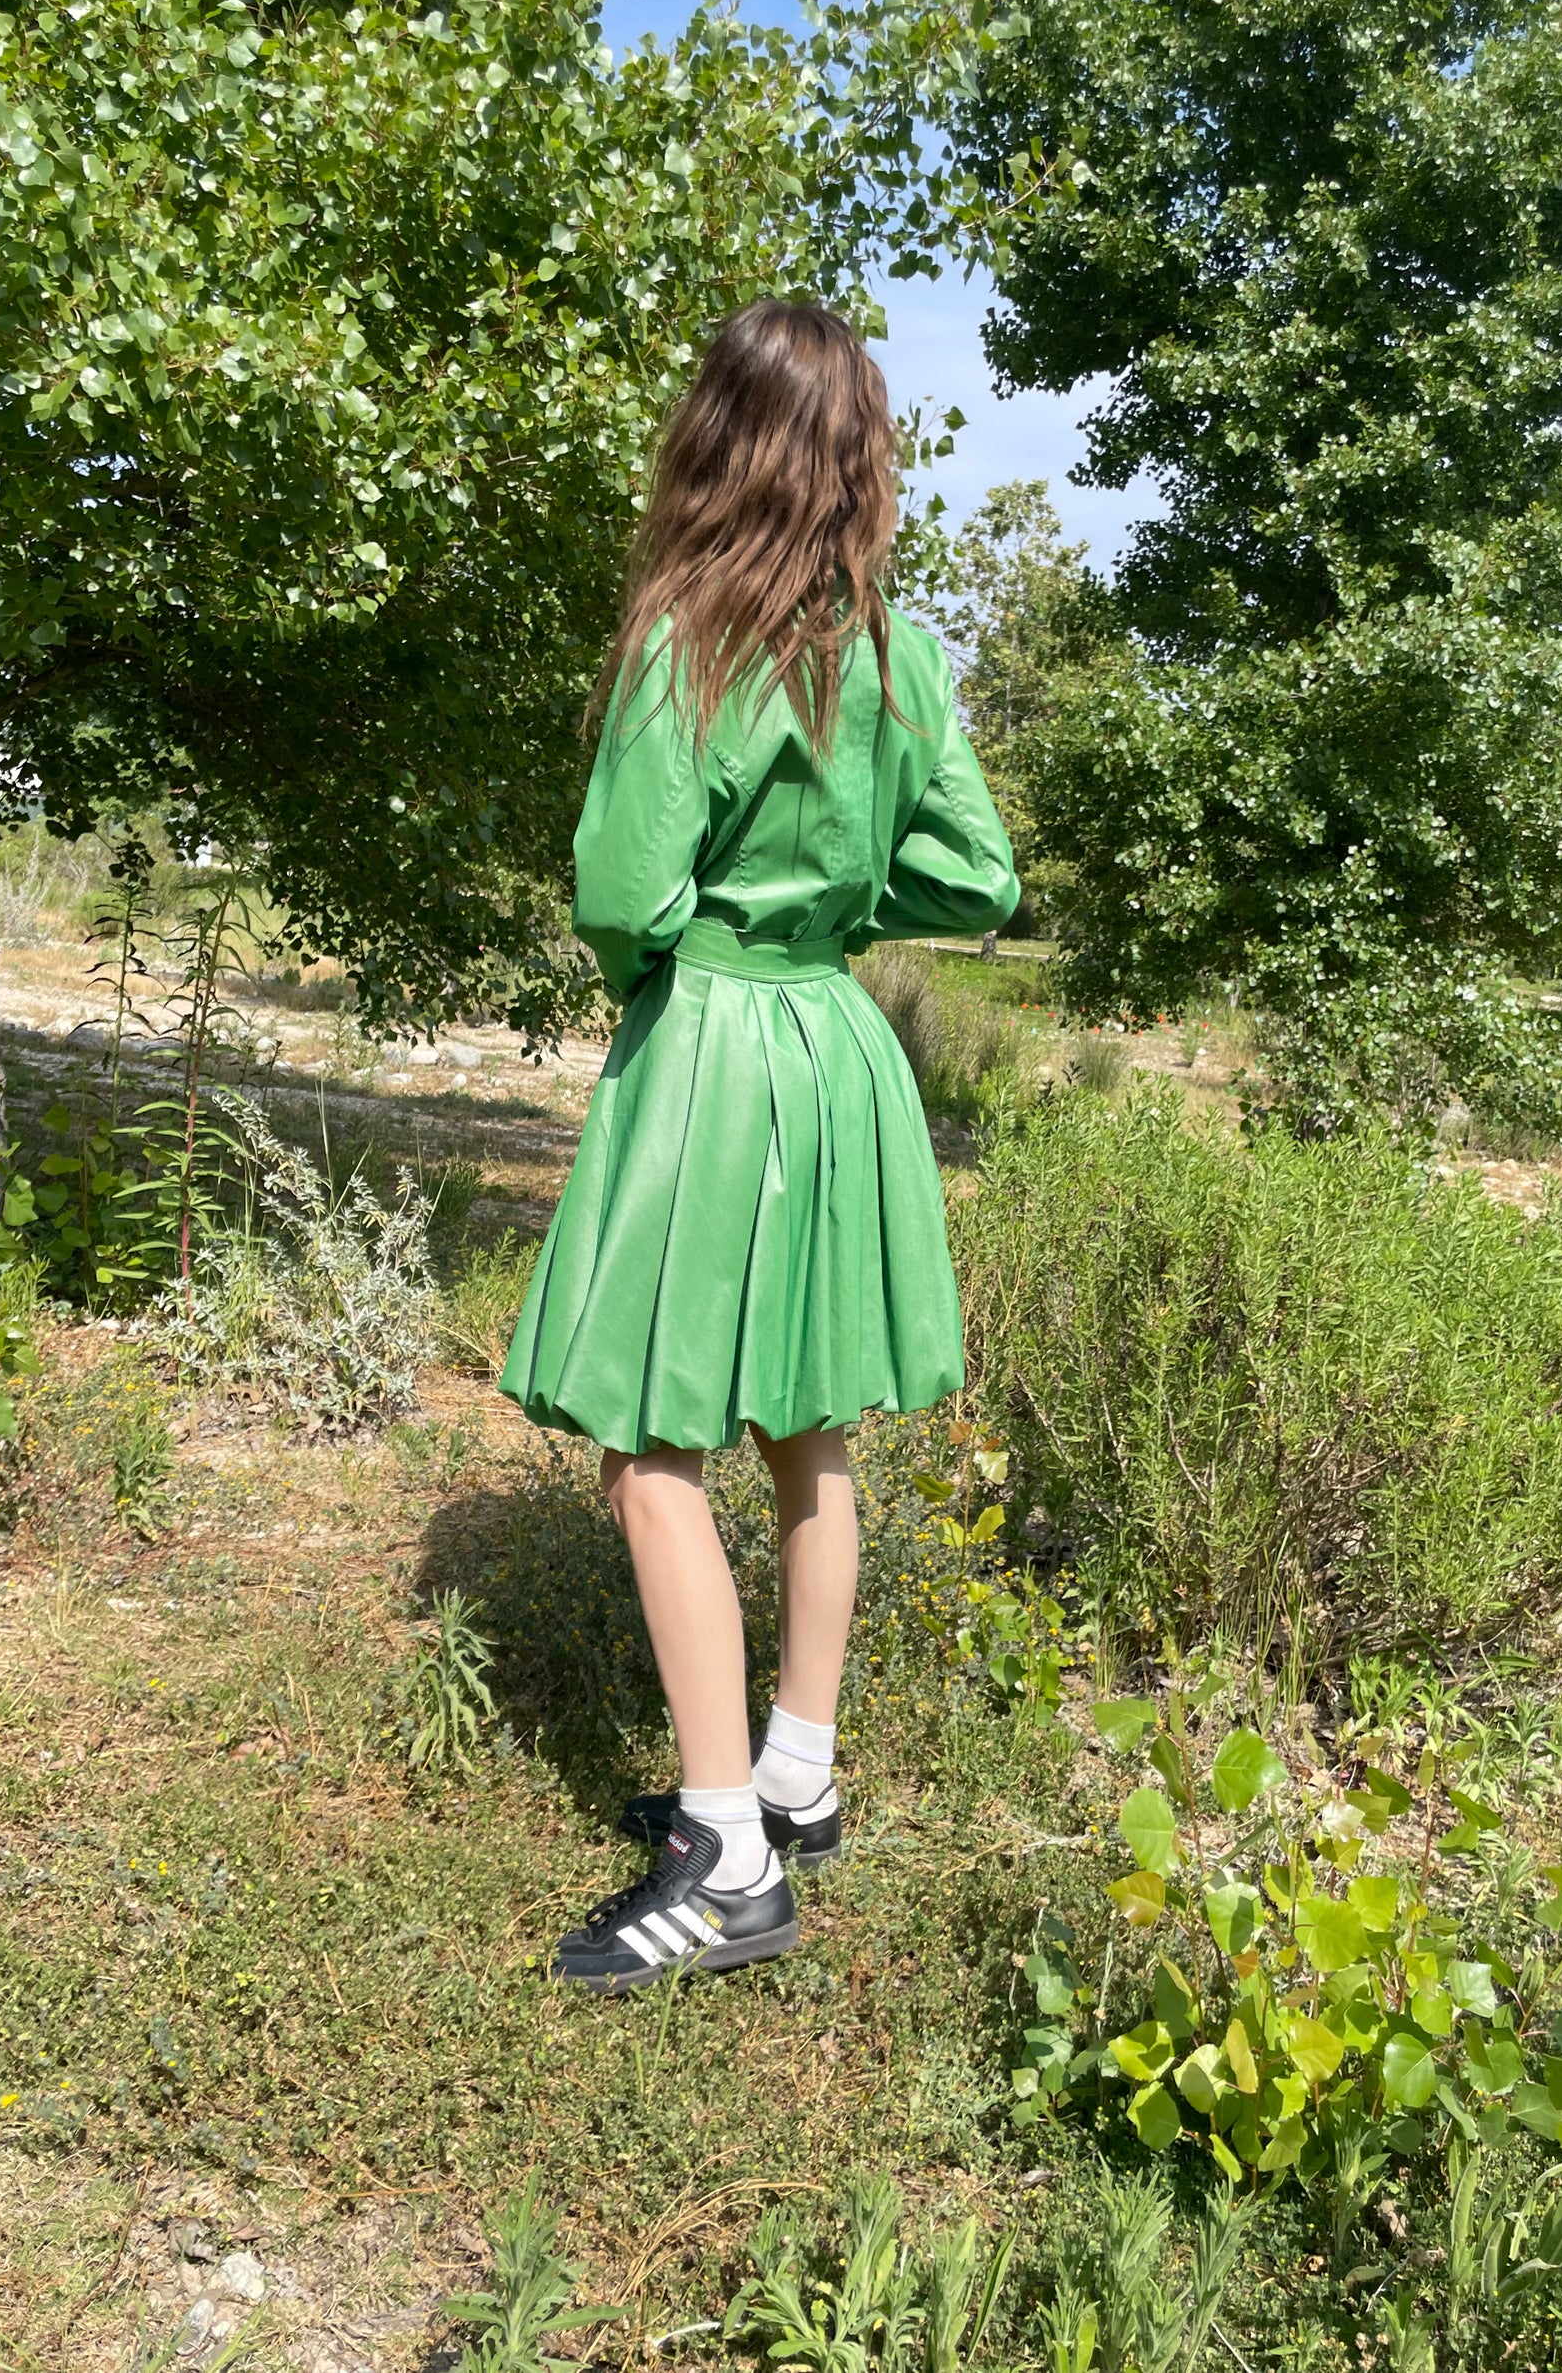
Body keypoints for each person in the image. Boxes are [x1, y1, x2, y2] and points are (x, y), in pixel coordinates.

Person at [499, 299, 1019, 1995]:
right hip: (839, 1044)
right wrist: (844, 902)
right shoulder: (904, 653)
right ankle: (796, 1767)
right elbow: (979, 884)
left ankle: (721, 1854)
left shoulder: (686, 637)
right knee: (808, 1420)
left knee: (652, 1445)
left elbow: (623, 895)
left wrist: (697, 956)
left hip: (717, 1039)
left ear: (714, 438)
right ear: (861, 451)